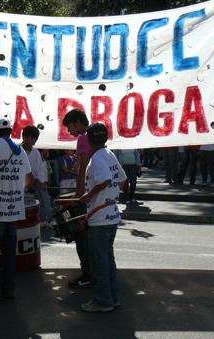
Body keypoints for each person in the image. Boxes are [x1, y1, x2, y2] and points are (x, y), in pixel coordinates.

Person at [0, 117, 32, 301]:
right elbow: (29, 178)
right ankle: (9, 289)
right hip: (13, 211)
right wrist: (17, 191)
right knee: (10, 254)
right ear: (11, 131)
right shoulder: (20, 151)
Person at [79, 123, 127, 312]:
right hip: (111, 215)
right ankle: (112, 298)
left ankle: (103, 301)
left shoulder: (97, 158)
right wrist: (112, 195)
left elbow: (106, 179)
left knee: (99, 262)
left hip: (99, 217)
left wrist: (90, 196)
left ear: (89, 140)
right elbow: (121, 180)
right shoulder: (109, 154)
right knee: (107, 260)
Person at [62, 109, 93, 288]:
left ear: (78, 122)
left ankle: (87, 273)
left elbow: (83, 169)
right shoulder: (95, 138)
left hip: (86, 195)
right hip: (95, 195)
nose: (68, 131)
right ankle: (95, 272)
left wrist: (78, 196)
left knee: (81, 236)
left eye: (69, 126)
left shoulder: (83, 138)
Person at [21, 125, 52, 225]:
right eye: (28, 137)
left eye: (33, 139)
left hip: (32, 188)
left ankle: (46, 220)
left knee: (43, 198)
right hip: (17, 188)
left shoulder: (36, 153)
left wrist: (38, 182)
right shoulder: (16, 150)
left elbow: (40, 172)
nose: (30, 140)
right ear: (23, 137)